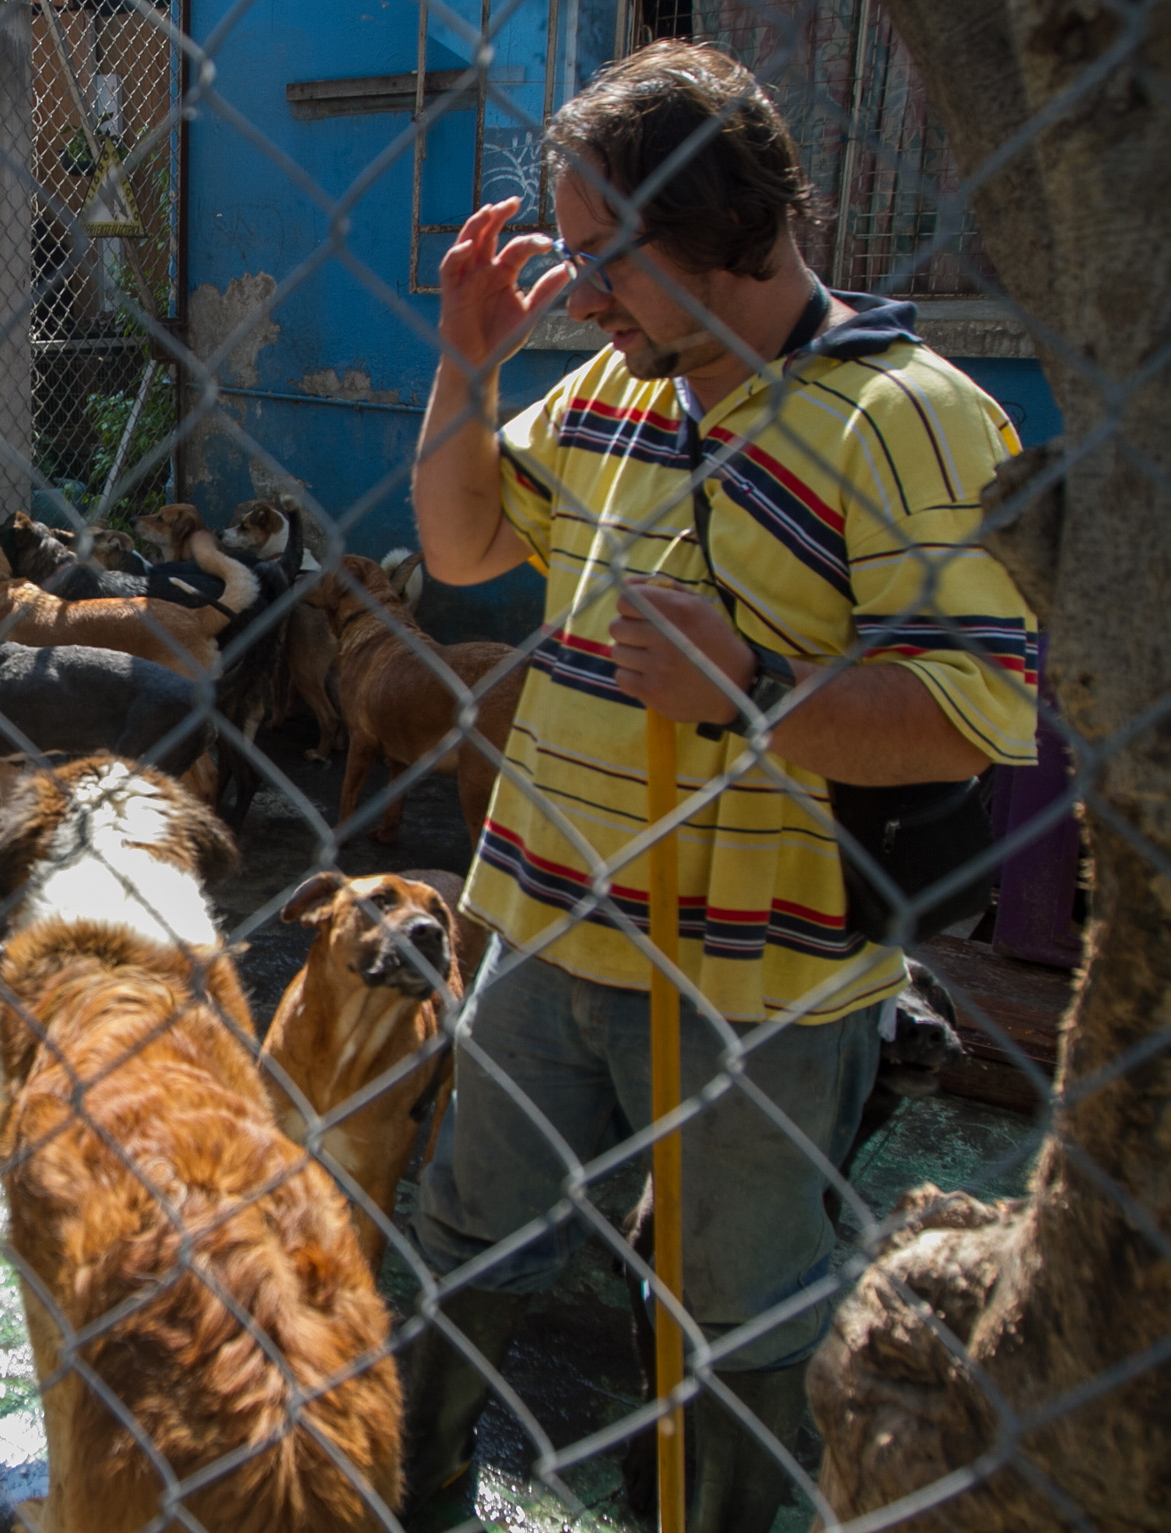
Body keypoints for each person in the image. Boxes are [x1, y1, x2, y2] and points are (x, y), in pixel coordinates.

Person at [403, 40, 1038, 1530]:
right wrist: (465, 366)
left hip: (758, 988)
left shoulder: (908, 416)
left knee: (735, 1313)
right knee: (467, 1233)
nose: (579, 293)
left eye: (603, 252)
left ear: (721, 223)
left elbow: (975, 713)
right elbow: (460, 545)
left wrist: (752, 690)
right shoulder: (608, 393)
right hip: (545, 928)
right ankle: (407, 1485)